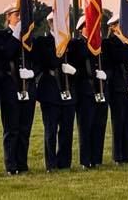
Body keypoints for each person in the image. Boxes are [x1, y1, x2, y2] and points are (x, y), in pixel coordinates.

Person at [0, 4, 37, 175]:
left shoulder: (29, 37)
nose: (19, 18)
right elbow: (6, 54)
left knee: (25, 128)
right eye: (16, 14)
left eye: (21, 14)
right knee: (12, 129)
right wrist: (17, 35)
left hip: (27, 87)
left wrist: (32, 73)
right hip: (10, 87)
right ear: (8, 17)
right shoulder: (0, 35)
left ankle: (22, 164)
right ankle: (11, 166)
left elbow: (37, 59)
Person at [33, 11, 77, 171]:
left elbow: (79, 61)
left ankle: (64, 162)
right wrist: (59, 62)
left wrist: (74, 70)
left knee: (67, 130)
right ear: (50, 23)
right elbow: (47, 61)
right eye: (54, 22)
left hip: (68, 89)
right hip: (50, 90)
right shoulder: (43, 42)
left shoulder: (70, 43)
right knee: (50, 130)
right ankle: (51, 164)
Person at [71, 15, 109, 168]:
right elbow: (77, 67)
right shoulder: (77, 44)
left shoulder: (101, 45)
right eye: (89, 25)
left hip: (101, 89)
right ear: (81, 29)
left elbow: (110, 64)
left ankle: (97, 159)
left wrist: (105, 74)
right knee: (86, 126)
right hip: (86, 90)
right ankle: (86, 160)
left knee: (99, 125)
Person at [102, 14, 128, 165]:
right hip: (117, 87)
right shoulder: (109, 43)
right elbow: (117, 58)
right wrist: (125, 45)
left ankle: (127, 154)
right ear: (113, 27)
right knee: (119, 122)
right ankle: (118, 155)